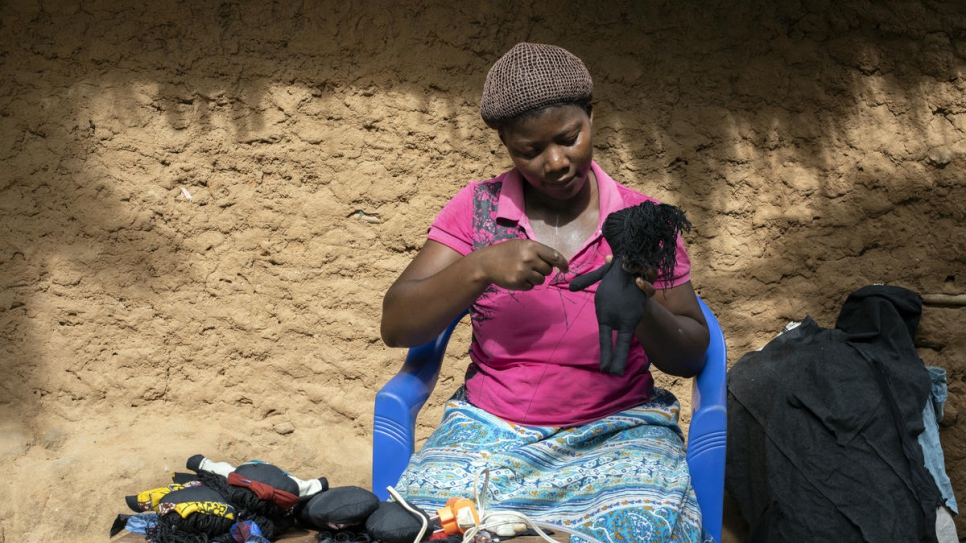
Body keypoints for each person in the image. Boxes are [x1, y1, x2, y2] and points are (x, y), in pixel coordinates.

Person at [381, 42, 711, 543]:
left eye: (568, 137)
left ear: (592, 117)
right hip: (489, 430)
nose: (555, 162)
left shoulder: (644, 222)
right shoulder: (478, 211)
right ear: (505, 145)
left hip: (618, 432)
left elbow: (691, 353)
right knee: (422, 530)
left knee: (642, 529)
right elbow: (397, 324)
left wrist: (641, 304)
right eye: (529, 151)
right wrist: (480, 266)